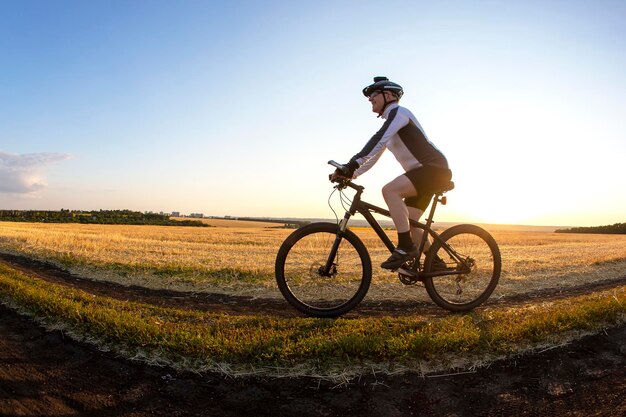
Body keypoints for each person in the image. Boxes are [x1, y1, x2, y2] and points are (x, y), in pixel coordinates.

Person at [331, 76, 452, 270]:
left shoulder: (399, 113)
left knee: (390, 191)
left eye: (373, 94)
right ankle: (435, 264)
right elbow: (373, 157)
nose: (370, 99)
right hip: (425, 174)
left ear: (388, 95)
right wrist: (350, 174)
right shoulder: (391, 125)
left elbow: (377, 139)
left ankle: (405, 247)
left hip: (432, 170)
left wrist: (351, 164)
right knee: (410, 223)